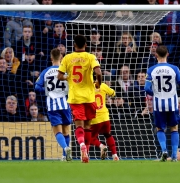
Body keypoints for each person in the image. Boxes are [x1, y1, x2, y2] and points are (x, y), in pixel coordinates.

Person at [145, 45, 180, 162]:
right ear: (168, 54)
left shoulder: (151, 70)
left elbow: (147, 88)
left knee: (160, 128)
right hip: (172, 103)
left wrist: (156, 93)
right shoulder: (174, 68)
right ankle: (173, 156)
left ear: (156, 55)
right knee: (174, 128)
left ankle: (164, 151)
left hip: (158, 104)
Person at [57, 35, 102, 163]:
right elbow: (98, 72)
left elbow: (59, 76)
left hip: (75, 97)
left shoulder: (67, 58)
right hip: (89, 96)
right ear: (86, 45)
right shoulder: (90, 57)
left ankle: (81, 145)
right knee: (88, 125)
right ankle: (86, 151)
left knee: (79, 125)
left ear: (74, 45)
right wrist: (98, 83)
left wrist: (68, 77)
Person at [35, 48, 72, 161]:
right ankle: (65, 156)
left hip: (52, 105)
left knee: (57, 131)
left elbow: (37, 87)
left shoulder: (46, 71)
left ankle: (66, 149)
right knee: (66, 130)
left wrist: (48, 90)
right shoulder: (65, 72)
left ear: (51, 58)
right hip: (65, 104)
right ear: (61, 57)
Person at [90, 80, 119, 161]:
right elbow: (113, 93)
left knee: (91, 138)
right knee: (108, 135)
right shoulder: (103, 85)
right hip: (105, 116)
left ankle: (101, 146)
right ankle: (115, 155)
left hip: (94, 118)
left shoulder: (88, 87)